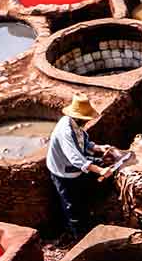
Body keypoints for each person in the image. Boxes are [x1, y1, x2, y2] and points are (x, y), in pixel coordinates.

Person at [47, 93, 113, 237]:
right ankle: (80, 236)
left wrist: (99, 148)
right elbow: (75, 158)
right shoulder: (66, 130)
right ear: (78, 117)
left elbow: (84, 142)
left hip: (76, 167)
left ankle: (90, 216)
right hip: (64, 171)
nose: (87, 121)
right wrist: (100, 170)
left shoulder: (75, 124)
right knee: (72, 206)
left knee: (82, 196)